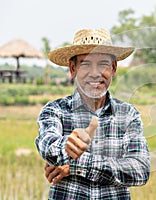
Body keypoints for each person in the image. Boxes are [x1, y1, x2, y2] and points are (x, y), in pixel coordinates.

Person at [35, 29, 150, 199]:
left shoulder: (128, 115)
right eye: (86, 64)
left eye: (103, 63)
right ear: (73, 69)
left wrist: (73, 166)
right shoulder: (55, 110)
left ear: (113, 68)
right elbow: (47, 145)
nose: (95, 73)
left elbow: (140, 170)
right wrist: (67, 146)